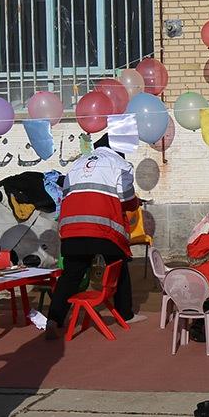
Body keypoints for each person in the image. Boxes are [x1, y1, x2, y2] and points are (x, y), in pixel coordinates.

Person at [44, 134, 141, 338]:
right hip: (103, 229)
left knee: (71, 275)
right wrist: (135, 203)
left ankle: (54, 318)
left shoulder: (78, 164)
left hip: (72, 228)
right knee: (119, 268)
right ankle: (126, 313)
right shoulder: (121, 164)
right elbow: (126, 198)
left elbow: (69, 193)